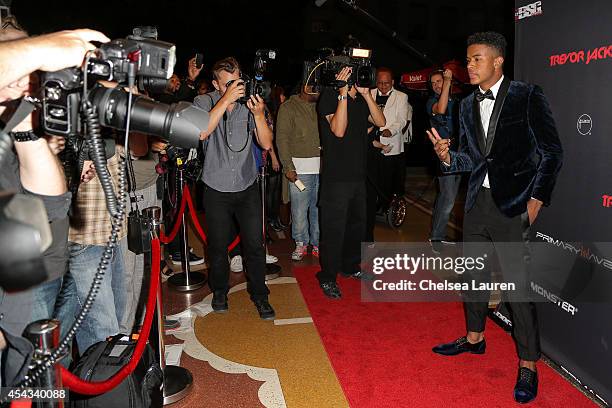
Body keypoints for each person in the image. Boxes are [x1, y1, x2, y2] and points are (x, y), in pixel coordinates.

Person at [427, 31, 563, 403]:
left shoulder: (526, 95)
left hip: (514, 204)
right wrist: (447, 157)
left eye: (476, 59)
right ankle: (474, 339)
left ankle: (529, 364)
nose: (468, 66)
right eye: (467, 59)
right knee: (472, 276)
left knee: (518, 289)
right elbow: (472, 158)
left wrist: (536, 200)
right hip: (476, 204)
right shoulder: (467, 104)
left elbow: (552, 152)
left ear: (498, 61)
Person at [0, 24, 110, 385]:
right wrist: (41, 48)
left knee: (34, 371)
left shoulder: (16, 115)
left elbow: (49, 204)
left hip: (29, 258)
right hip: (32, 258)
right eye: (16, 57)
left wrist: (29, 134)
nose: (23, 79)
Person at [194, 57, 275, 320]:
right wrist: (225, 99)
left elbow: (265, 143)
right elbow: (201, 132)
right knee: (218, 247)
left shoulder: (248, 105)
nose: (236, 87)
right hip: (216, 187)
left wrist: (260, 115)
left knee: (254, 244)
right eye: (228, 83)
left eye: (238, 81)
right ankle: (219, 292)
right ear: (216, 84)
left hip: (246, 185)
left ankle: (260, 296)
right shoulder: (205, 102)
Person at [316, 67, 386, 299]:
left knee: (357, 227)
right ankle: (327, 277)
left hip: (358, 177)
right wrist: (343, 93)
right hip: (336, 179)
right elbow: (338, 130)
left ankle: (350, 267)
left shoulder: (362, 100)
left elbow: (381, 121)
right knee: (333, 231)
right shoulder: (329, 96)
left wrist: (366, 95)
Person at [276, 83, 320, 260]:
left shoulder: (322, 105)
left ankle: (317, 242)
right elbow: (282, 138)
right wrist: (288, 167)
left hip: (323, 169)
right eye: (314, 86)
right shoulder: (288, 108)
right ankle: (301, 243)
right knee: (300, 210)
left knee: (319, 209)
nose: (318, 90)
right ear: (304, 86)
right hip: (299, 171)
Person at [426, 68, 461, 253]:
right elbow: (441, 108)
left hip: (459, 155)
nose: (436, 85)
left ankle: (438, 234)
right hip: (443, 155)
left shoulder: (456, 102)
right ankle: (436, 237)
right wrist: (448, 81)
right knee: (447, 198)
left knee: (448, 198)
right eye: (433, 83)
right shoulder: (431, 102)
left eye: (439, 81)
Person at [369, 67, 411, 209]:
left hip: (391, 144)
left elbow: (402, 120)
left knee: (388, 179)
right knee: (372, 176)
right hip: (371, 142)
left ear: (392, 82)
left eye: (386, 83)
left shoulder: (401, 97)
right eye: (380, 83)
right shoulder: (369, 94)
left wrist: (390, 131)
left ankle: (385, 205)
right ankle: (371, 204)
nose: (383, 86)